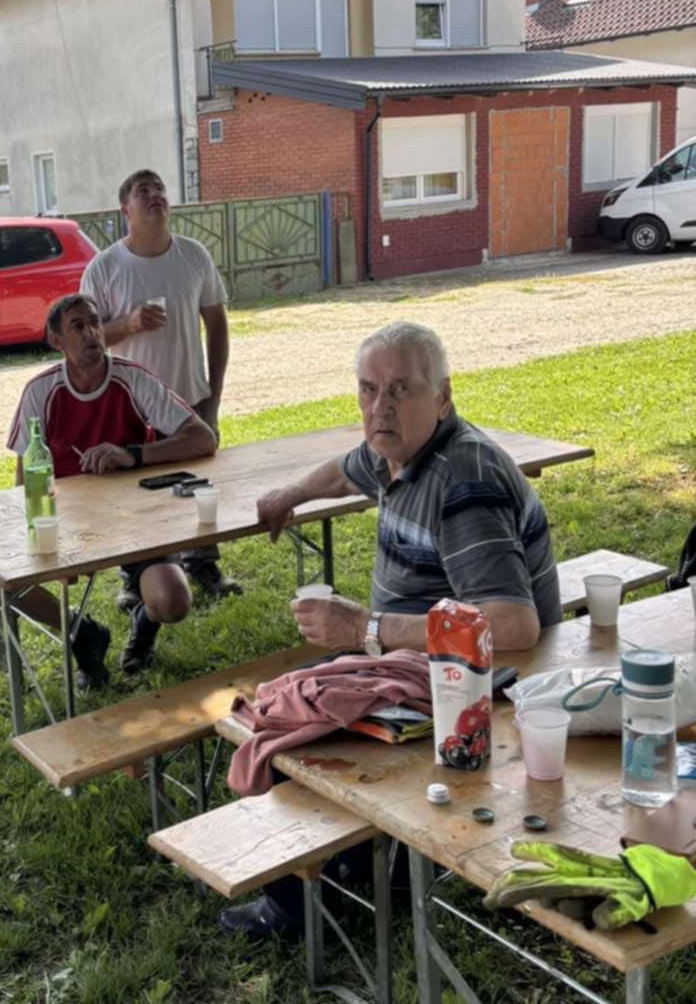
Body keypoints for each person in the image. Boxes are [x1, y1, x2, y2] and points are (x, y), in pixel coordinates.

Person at [222, 319, 561, 942]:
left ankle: (301, 907)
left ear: (443, 396)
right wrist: (288, 494)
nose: (380, 408)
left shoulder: (464, 483)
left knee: (290, 720)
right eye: (368, 390)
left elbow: (515, 626)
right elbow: (345, 469)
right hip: (417, 663)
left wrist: (365, 629)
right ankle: (366, 866)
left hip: (487, 682)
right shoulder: (397, 450)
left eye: (400, 390)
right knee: (295, 700)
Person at [5, 293, 218, 685]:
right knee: (7, 583)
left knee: (173, 603)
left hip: (136, 513)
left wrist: (133, 454)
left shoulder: (132, 378)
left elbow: (203, 439)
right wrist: (31, 536)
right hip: (67, 518)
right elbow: (24, 481)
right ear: (57, 341)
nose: (91, 333)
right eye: (78, 326)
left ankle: (144, 623)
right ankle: (83, 634)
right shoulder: (41, 390)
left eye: (95, 323)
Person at [80, 167, 237, 605]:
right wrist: (127, 324)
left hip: (190, 397)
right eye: (143, 191)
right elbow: (86, 342)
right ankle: (135, 578)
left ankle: (204, 564)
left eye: (160, 189)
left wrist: (214, 398)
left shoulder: (193, 256)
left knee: (199, 486)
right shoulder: (105, 267)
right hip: (130, 408)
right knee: (135, 493)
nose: (156, 196)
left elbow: (218, 328)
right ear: (125, 209)